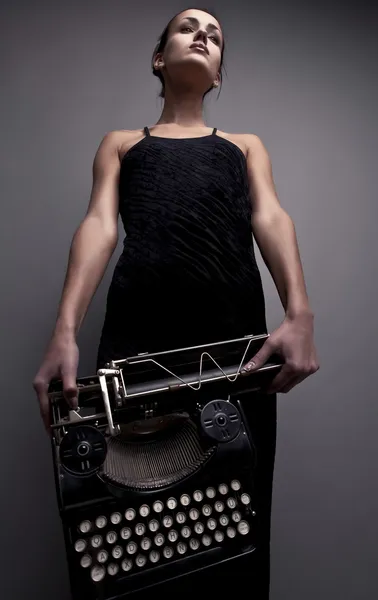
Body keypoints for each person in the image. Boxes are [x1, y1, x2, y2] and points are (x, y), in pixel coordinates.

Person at [33, 6, 319, 597]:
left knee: (236, 533)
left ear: (217, 75)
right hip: (138, 345)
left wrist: (300, 313)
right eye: (190, 28)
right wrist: (64, 331)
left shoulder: (244, 146)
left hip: (235, 350)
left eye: (215, 36)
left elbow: (269, 216)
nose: (204, 36)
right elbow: (98, 228)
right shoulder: (121, 143)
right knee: (127, 523)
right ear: (160, 59)